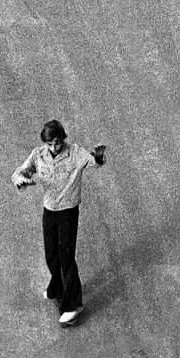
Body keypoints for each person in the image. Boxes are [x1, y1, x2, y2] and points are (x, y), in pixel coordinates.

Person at [11, 119, 106, 327]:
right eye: (50, 144)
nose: (54, 147)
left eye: (57, 142)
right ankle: (58, 287)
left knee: (66, 258)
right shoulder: (38, 155)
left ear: (63, 138)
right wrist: (21, 180)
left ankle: (72, 306)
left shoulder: (75, 152)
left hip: (68, 213)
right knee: (51, 255)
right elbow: (21, 172)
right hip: (50, 210)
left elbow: (93, 161)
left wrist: (98, 157)